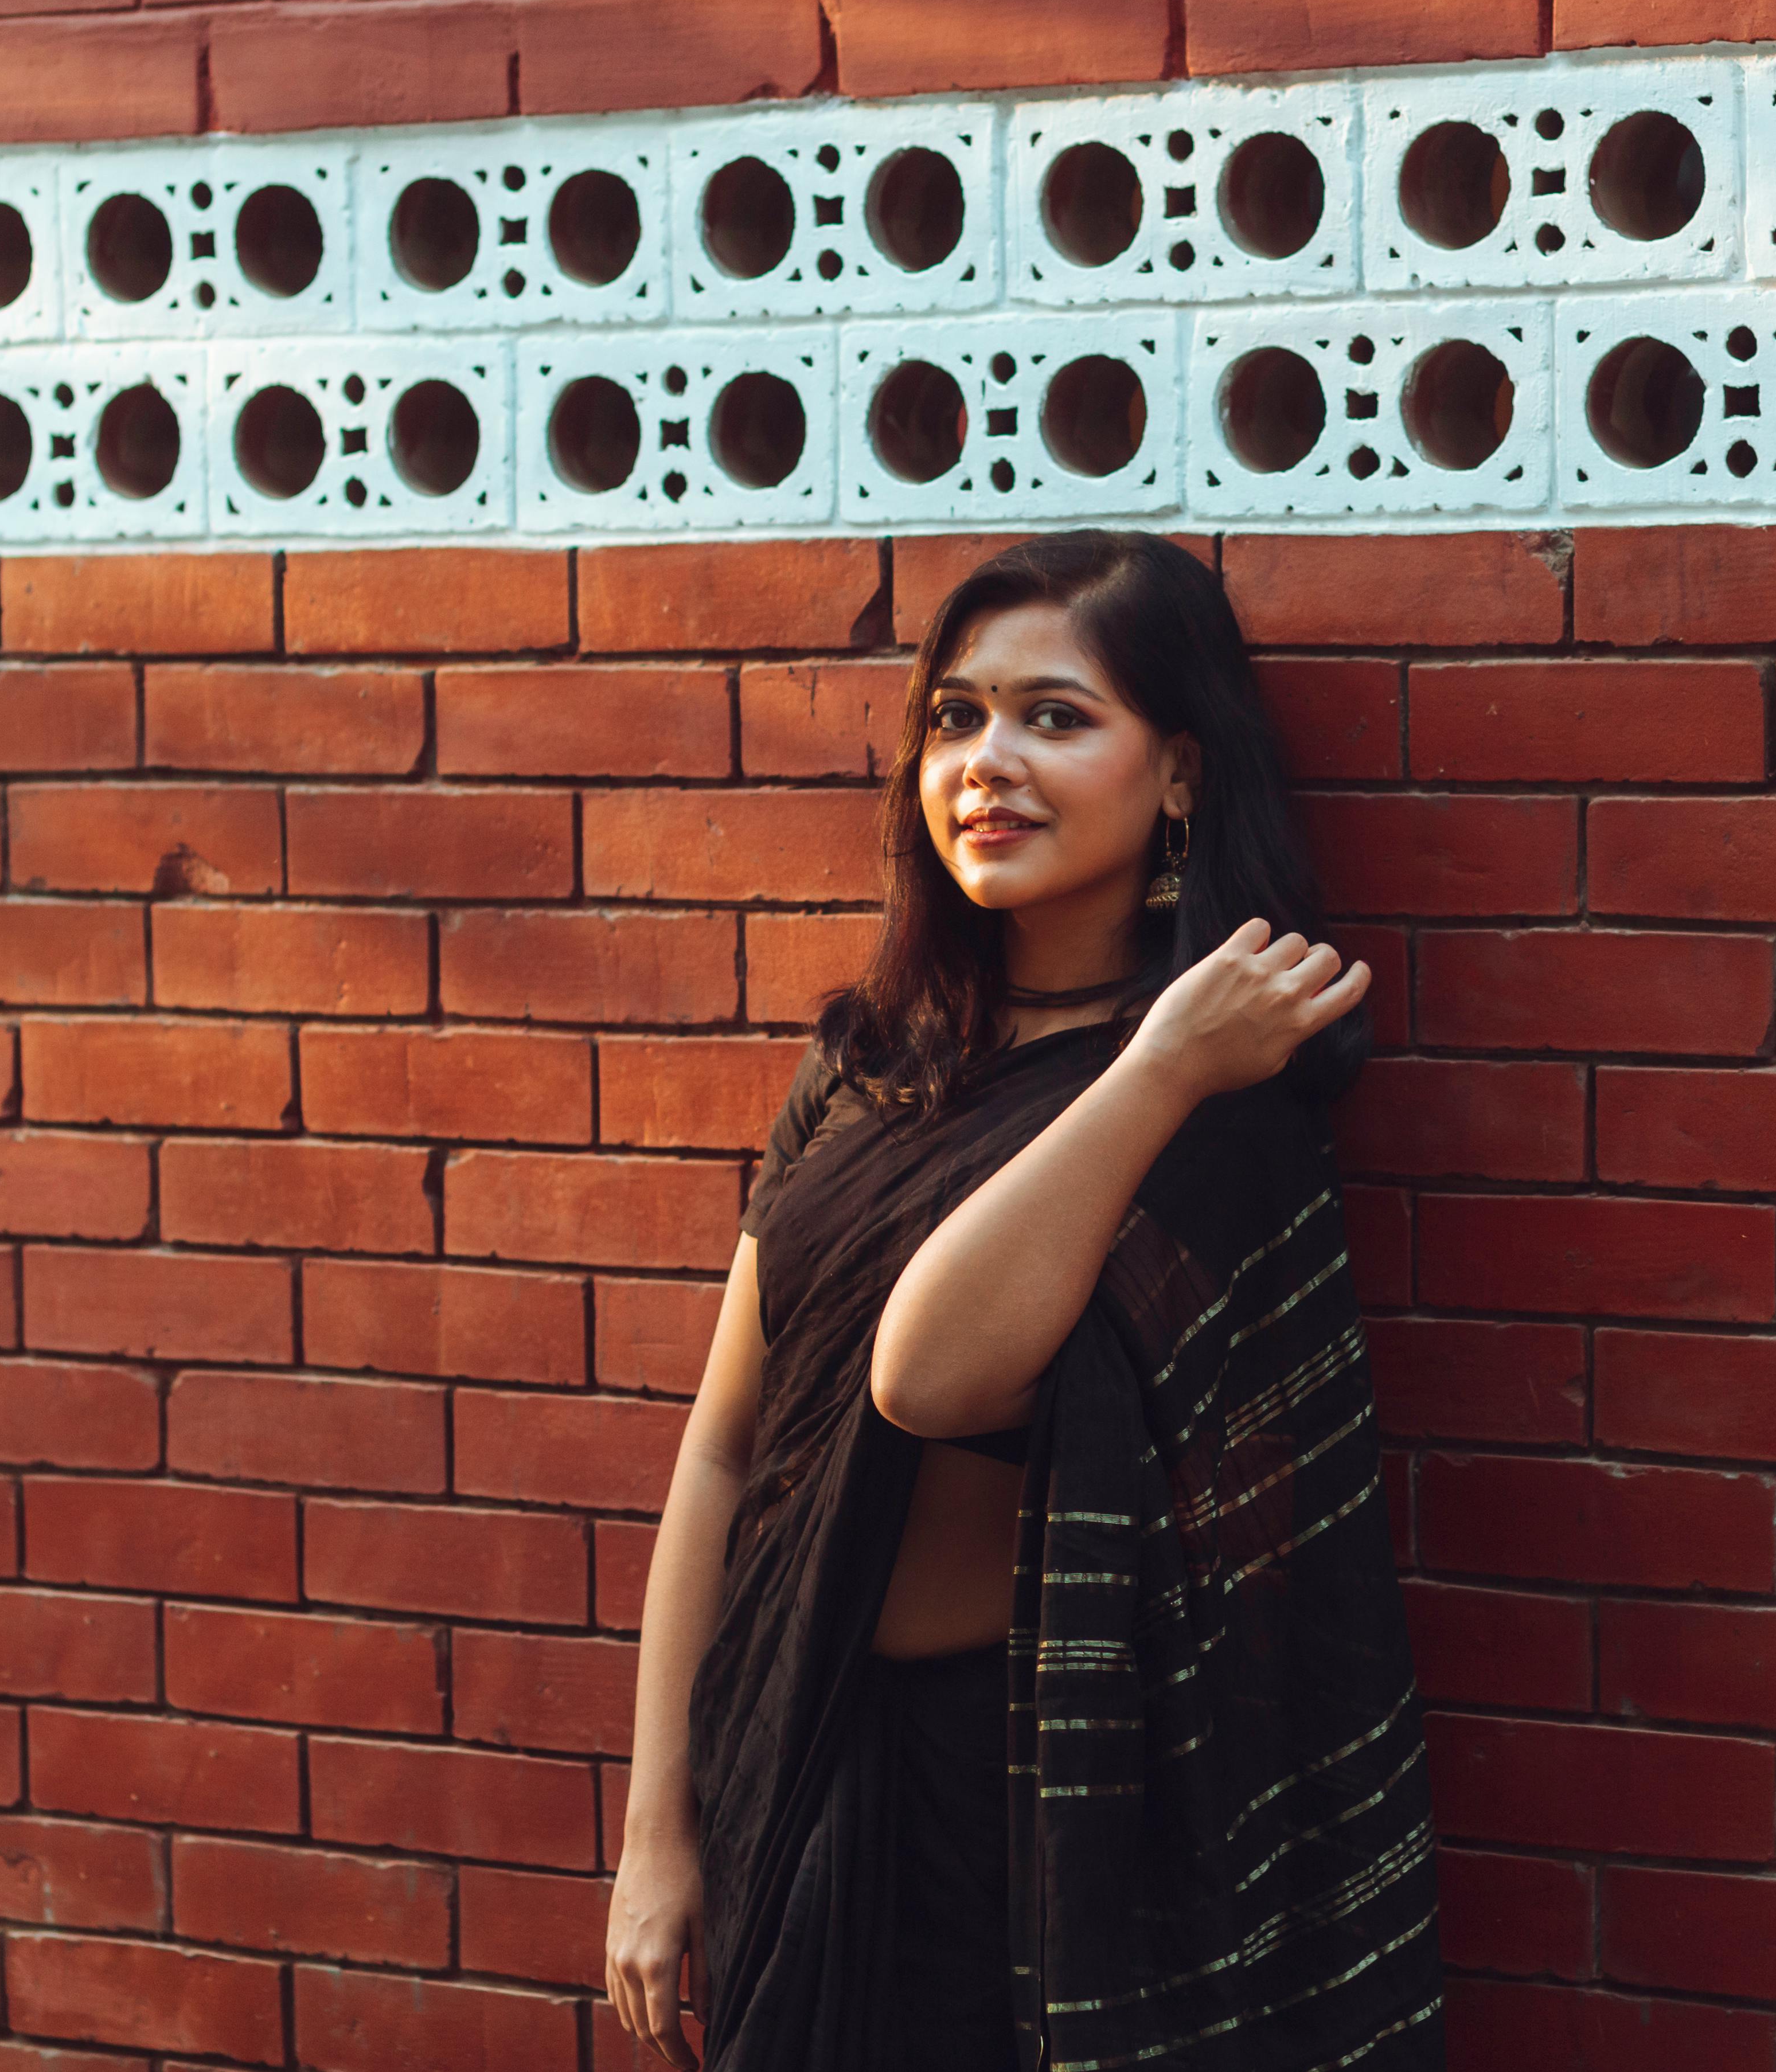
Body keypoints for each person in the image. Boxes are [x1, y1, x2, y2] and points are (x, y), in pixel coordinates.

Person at [602, 531, 1446, 2071]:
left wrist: (1162, 1062)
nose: (987, 761)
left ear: (1180, 773)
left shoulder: (1222, 1096)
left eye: (1056, 716)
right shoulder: (866, 1065)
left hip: (1044, 1818)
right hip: (803, 1756)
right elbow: (724, 1448)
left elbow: (927, 1373)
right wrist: (659, 1829)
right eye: (956, 716)